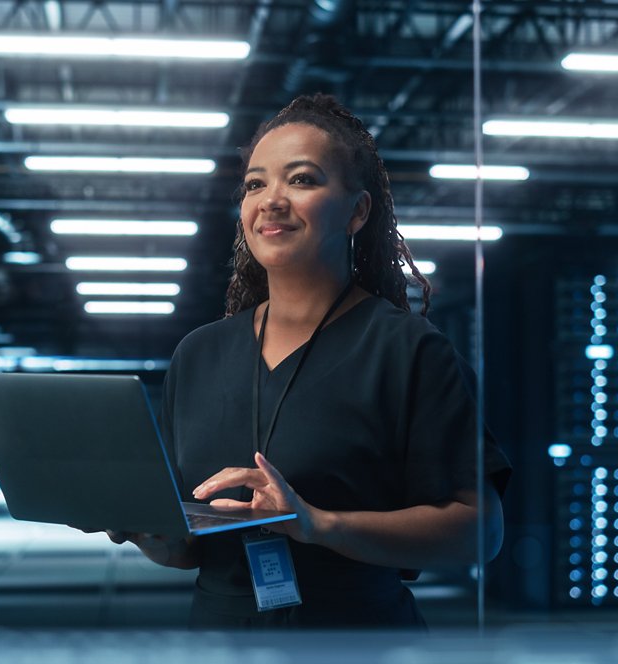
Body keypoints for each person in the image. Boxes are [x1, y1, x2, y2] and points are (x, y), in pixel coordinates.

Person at [110, 94, 511, 628]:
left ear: (357, 212)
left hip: (356, 647)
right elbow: (188, 551)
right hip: (221, 650)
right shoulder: (199, 354)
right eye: (255, 185)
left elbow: (481, 532)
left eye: (301, 180)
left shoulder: (408, 351)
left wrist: (316, 523)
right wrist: (145, 531)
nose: (270, 201)